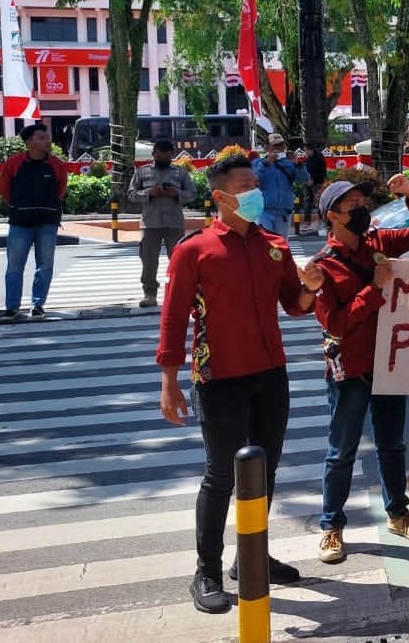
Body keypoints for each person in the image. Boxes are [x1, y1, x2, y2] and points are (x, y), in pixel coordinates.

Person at [156, 155, 318, 614]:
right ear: (221, 196)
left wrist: (312, 287)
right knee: (222, 474)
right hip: (219, 377)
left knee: (264, 471)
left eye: (256, 184)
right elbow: (173, 319)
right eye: (245, 185)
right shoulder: (195, 250)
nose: (255, 192)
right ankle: (206, 569)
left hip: (270, 374)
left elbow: (295, 304)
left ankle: (252, 557)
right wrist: (169, 380)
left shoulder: (274, 246)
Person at [310, 172, 409, 564]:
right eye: (352, 206)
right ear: (332, 216)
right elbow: (334, 323)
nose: (361, 210)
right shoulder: (323, 266)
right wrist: (375, 288)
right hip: (350, 369)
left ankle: (398, 512)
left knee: (392, 443)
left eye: (362, 203)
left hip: (388, 363)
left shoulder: (380, 243)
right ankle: (331, 526)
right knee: (341, 451)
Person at [0, 122, 69, 319]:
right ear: (29, 142)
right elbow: (4, 189)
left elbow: (61, 189)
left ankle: (38, 305)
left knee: (45, 265)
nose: (47, 141)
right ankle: (12, 307)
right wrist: (18, 206)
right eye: (41, 138)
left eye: (46, 137)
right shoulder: (13, 163)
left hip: (48, 222)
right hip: (20, 222)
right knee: (14, 267)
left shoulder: (57, 164)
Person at [129, 140, 197, 308]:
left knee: (178, 262)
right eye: (161, 157)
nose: (164, 160)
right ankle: (150, 294)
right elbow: (131, 194)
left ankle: (179, 294)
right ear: (154, 155)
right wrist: (149, 193)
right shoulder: (142, 172)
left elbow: (192, 193)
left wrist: (176, 194)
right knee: (149, 261)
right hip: (150, 224)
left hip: (174, 223)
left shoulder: (180, 173)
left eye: (168, 157)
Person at [254, 132, 300, 235]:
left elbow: (304, 180)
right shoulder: (259, 163)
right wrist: (266, 163)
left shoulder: (289, 163)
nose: (278, 149)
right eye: (275, 146)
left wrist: (298, 165)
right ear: (267, 147)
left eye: (280, 145)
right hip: (264, 211)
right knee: (266, 244)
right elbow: (254, 179)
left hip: (284, 213)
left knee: (281, 245)